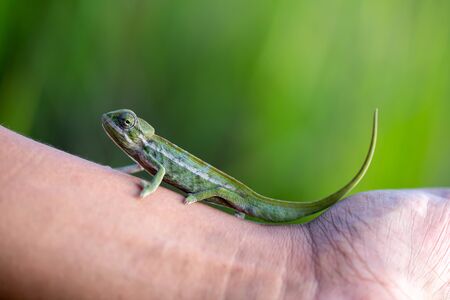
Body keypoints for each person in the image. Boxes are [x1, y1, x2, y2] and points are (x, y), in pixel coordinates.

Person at [0, 126, 448, 299]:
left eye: (125, 128)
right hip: (245, 219)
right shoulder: (148, 151)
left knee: (233, 199)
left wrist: (174, 195)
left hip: (230, 193)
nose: (119, 131)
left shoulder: (151, 154)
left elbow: (159, 177)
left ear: (137, 136)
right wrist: (303, 273)